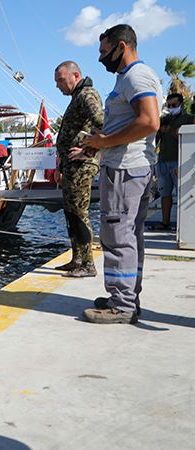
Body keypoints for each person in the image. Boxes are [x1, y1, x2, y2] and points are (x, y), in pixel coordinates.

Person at [70, 24, 162, 324]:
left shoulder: (136, 76)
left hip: (126, 169)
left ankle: (121, 306)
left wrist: (104, 142)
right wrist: (97, 145)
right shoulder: (130, 79)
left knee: (118, 236)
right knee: (127, 236)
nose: (101, 59)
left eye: (103, 51)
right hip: (126, 166)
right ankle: (125, 298)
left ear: (121, 47)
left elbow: (149, 121)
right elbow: (130, 123)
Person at [53, 61, 105, 278]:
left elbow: (102, 122)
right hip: (71, 165)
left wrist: (89, 151)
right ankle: (77, 259)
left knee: (79, 212)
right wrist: (61, 165)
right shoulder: (77, 96)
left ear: (76, 75)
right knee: (70, 212)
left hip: (82, 165)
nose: (58, 86)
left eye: (61, 81)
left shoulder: (87, 95)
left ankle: (88, 264)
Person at [152, 93, 193, 230]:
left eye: (174, 105)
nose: (171, 108)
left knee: (183, 194)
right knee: (165, 193)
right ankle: (165, 222)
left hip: (179, 161)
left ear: (181, 104)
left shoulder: (188, 119)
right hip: (162, 161)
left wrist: (171, 130)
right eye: (168, 105)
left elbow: (189, 137)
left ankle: (185, 226)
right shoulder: (165, 119)